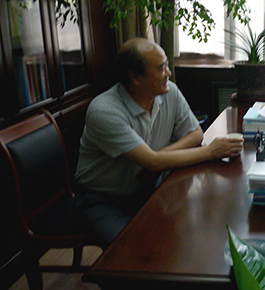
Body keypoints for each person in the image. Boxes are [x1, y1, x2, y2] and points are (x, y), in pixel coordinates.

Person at [73, 38, 243, 248]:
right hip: (102, 200)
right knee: (129, 253)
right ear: (135, 77)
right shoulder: (105, 111)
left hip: (148, 190)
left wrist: (161, 156)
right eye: (162, 68)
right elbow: (153, 163)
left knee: (188, 234)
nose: (168, 73)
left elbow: (195, 134)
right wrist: (211, 151)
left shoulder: (169, 91)